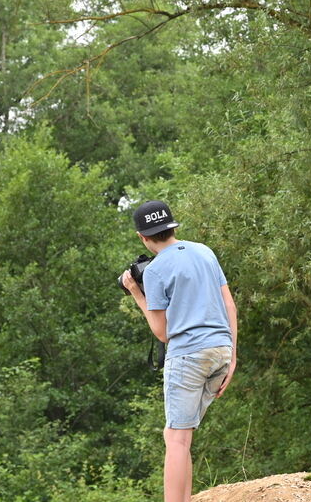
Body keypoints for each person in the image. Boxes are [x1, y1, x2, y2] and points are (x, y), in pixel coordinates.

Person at [121, 200, 238, 502]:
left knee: (176, 438)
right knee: (178, 435)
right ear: (172, 226)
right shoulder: (205, 252)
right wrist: (233, 356)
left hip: (188, 355)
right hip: (221, 351)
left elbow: (162, 332)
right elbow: (229, 304)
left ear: (142, 237)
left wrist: (136, 292)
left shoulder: (155, 270)